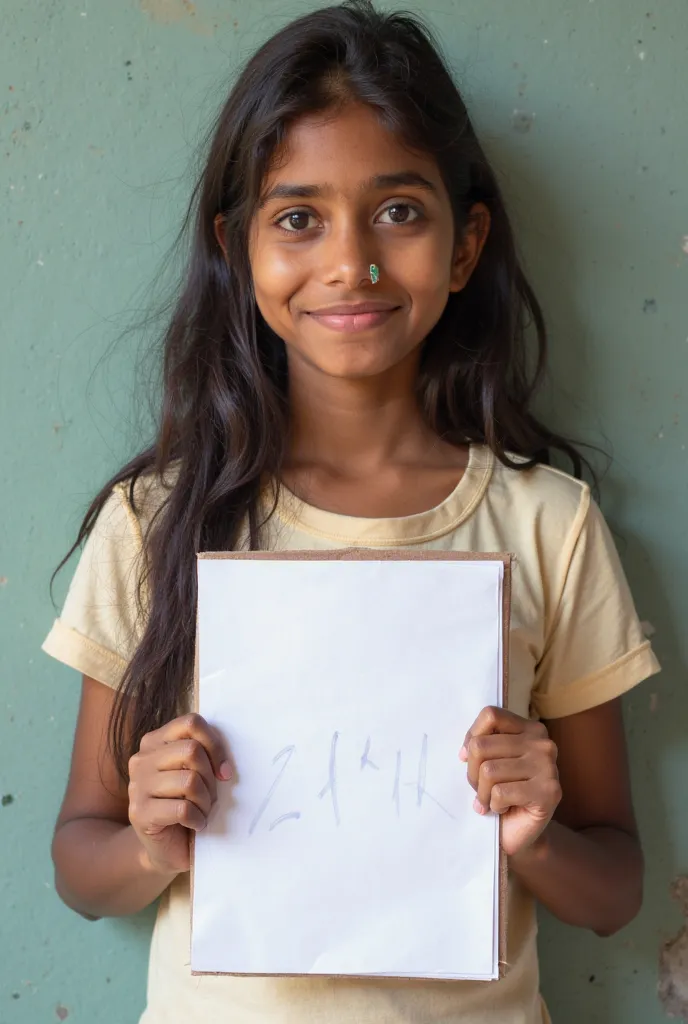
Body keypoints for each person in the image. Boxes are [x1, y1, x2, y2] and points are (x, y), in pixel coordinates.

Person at [42, 2, 660, 1022]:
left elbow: (615, 888)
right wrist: (153, 838)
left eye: (399, 212)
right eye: (297, 218)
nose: (351, 263)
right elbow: (79, 860)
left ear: (464, 248)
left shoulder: (549, 523)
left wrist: (535, 836)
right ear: (236, 249)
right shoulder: (158, 518)